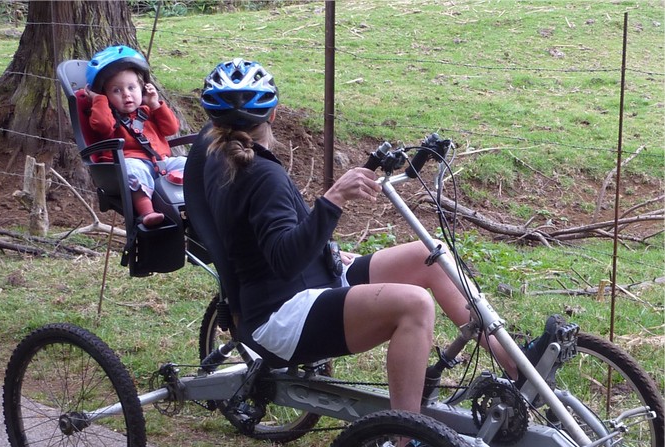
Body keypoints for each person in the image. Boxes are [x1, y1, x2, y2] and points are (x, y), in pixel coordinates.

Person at [193, 58, 523, 415]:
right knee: (414, 305)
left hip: (303, 283)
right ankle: (407, 444)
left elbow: (259, 239)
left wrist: (327, 250)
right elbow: (284, 259)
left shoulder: (217, 158)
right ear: (273, 115)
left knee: (429, 256)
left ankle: (518, 369)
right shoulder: (261, 175)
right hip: (282, 315)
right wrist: (333, 199)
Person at [85, 45, 186, 228]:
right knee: (134, 170)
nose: (126, 95)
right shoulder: (107, 114)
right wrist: (98, 100)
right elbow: (102, 126)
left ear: (143, 88)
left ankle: (200, 204)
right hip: (128, 164)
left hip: (161, 162)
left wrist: (155, 104)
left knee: (187, 164)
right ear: (105, 94)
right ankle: (147, 212)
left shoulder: (148, 111)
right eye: (116, 91)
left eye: (132, 88)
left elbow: (171, 129)